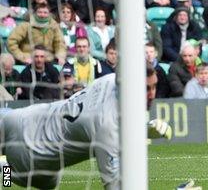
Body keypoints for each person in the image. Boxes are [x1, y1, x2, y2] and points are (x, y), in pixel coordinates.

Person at [0, 66, 171, 189]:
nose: (152, 94)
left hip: (22, 117)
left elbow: (115, 114)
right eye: (146, 88)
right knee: (19, 177)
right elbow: (116, 186)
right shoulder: (106, 127)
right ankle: (3, 169)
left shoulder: (110, 79)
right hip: (32, 156)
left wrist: (143, 128)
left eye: (154, 87)